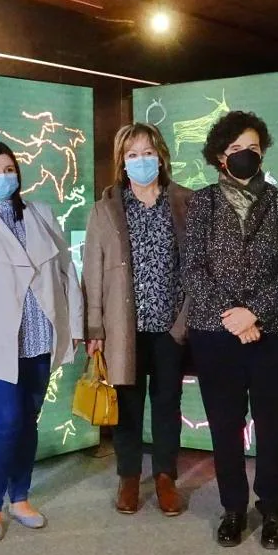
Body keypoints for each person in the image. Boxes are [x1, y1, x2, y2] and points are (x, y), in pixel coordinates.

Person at [183, 111, 278, 550]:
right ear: (219, 157)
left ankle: (272, 510)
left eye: (253, 148)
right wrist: (232, 317)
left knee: (274, 424)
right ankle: (233, 507)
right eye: (236, 150)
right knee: (225, 424)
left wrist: (254, 313)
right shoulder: (201, 203)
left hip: (275, 331)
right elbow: (192, 269)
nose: (246, 156)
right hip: (216, 335)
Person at [0, 141, 84, 542]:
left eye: (9, 169)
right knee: (4, 422)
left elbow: (66, 271)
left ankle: (21, 496)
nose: (3, 177)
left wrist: (75, 324)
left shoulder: (41, 214)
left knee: (28, 419)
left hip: (41, 333)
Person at [83, 123, 191, 516]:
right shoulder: (106, 207)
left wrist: (185, 321)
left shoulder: (185, 202)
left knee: (167, 404)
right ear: (121, 162)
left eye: (148, 152)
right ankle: (129, 477)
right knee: (126, 406)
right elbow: (92, 273)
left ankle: (165, 477)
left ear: (161, 155)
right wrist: (93, 328)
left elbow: (196, 268)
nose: (141, 160)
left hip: (171, 327)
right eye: (132, 154)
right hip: (121, 328)